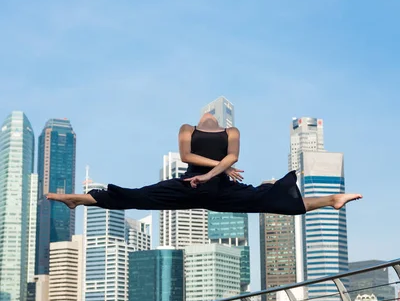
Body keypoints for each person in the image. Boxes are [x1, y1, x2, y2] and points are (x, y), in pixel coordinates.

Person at [47, 113, 362, 214]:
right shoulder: (189, 129)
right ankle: (77, 199)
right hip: (204, 186)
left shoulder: (230, 131)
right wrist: (218, 168)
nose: (206, 118)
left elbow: (230, 159)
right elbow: (192, 158)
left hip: (202, 187)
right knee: (137, 196)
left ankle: (332, 199)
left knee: (271, 199)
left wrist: (210, 173)